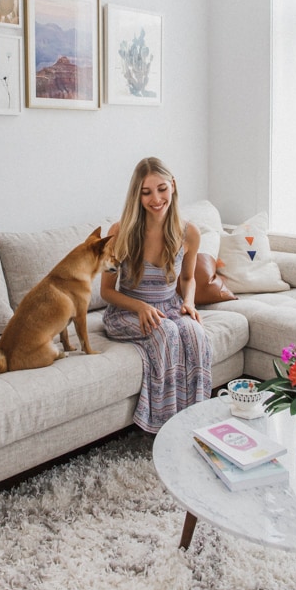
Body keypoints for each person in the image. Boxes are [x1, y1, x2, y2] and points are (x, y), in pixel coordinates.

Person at [101, 157, 212, 433]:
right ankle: (164, 427)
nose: (156, 199)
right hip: (127, 311)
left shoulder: (189, 232)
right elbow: (106, 291)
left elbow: (187, 279)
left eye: (161, 189)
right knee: (167, 333)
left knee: (196, 333)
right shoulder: (119, 232)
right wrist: (139, 307)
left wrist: (188, 302)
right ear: (137, 195)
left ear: (172, 186)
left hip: (169, 306)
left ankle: (195, 419)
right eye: (146, 192)